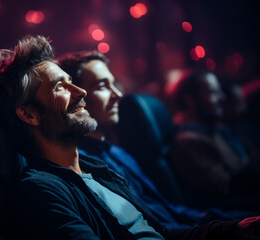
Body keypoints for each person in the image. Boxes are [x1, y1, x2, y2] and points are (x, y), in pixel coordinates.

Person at [0, 35, 260, 239]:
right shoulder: (41, 191)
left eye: (72, 83)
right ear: (28, 114)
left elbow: (161, 231)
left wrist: (235, 228)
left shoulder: (101, 171)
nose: (81, 93)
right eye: (59, 88)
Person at [57, 50, 260, 228]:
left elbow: (168, 210)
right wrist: (227, 229)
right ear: (73, 97)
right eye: (102, 86)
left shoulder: (118, 153)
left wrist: (235, 221)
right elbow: (154, 227)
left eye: (114, 84)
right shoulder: (82, 166)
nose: (118, 94)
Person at [165, 69, 260, 209]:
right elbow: (225, 188)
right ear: (190, 99)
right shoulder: (188, 141)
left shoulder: (214, 130)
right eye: (213, 93)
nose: (222, 98)